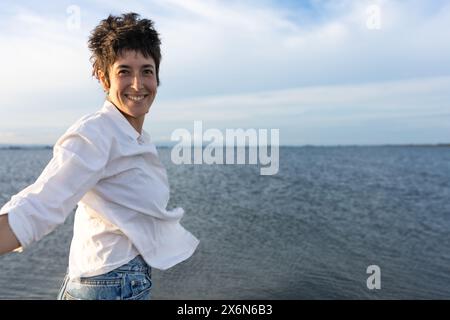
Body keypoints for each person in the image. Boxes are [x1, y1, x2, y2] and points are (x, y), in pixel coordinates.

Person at [0, 12, 199, 300]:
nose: (137, 84)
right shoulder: (96, 133)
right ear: (103, 77)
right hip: (109, 285)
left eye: (146, 70)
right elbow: (40, 206)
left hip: (114, 280)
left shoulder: (133, 136)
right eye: (123, 71)